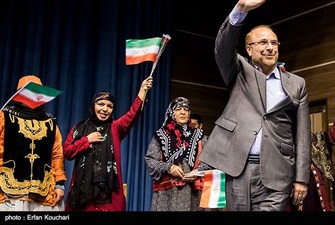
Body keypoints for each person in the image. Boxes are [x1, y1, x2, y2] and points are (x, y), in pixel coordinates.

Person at [199, 0, 311, 211]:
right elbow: (223, 48)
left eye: (274, 42)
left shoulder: (297, 84)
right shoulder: (240, 71)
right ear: (249, 49)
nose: (270, 47)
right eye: (263, 43)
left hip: (276, 171)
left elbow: (302, 134)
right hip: (234, 166)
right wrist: (240, 10)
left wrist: (301, 177)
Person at [63, 76, 153, 211]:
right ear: (93, 106)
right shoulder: (78, 129)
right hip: (82, 192)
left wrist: (142, 90)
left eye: (110, 106)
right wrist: (87, 140)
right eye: (101, 104)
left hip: (108, 195)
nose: (105, 109)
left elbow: (132, 114)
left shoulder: (115, 127)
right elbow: (67, 152)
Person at [0, 75, 66, 211]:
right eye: (28, 93)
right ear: (19, 95)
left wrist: (59, 184)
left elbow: (57, 155)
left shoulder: (50, 123)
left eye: (37, 93)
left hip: (43, 192)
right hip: (8, 192)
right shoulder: (4, 117)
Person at [145, 97, 211, 211]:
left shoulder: (199, 135)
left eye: (185, 109)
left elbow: (210, 159)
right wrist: (169, 167)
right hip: (166, 194)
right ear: (172, 112)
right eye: (178, 109)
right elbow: (150, 160)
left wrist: (198, 171)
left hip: (193, 193)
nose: (182, 112)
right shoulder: (161, 135)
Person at [293, 100, 335, 211]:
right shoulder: (283, 141)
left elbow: (331, 139)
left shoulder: (313, 139)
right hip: (294, 194)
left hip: (316, 193)